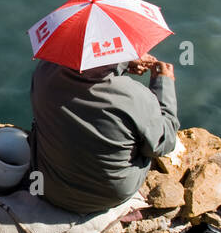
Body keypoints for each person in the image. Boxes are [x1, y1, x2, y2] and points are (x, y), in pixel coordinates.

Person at [28, 52, 178, 214]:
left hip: (47, 186)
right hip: (107, 196)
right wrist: (164, 85)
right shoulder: (134, 96)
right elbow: (164, 143)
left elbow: (87, 75)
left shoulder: (45, 71)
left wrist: (123, 62)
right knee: (145, 142)